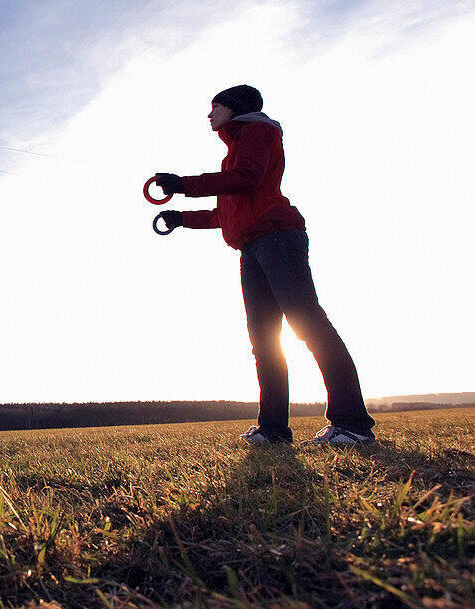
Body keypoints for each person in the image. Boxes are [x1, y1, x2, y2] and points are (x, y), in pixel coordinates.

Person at [154, 84, 375, 446]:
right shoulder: (235, 152)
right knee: (264, 340)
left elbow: (248, 180)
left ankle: (352, 424)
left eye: (215, 107)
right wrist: (182, 217)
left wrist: (183, 184)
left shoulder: (258, 130)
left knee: (307, 323)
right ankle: (273, 430)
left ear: (235, 108)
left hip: (278, 238)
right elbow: (228, 211)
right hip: (252, 245)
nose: (209, 115)